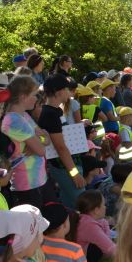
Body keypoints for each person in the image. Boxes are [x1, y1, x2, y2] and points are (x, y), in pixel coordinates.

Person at [2, 76, 53, 207]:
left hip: (38, 179)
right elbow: (41, 150)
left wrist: (37, 141)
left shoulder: (24, 115)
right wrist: (39, 141)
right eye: (34, 95)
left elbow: (46, 138)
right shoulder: (14, 120)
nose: (36, 99)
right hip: (26, 183)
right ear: (23, 97)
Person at [39, 74, 85, 208]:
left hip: (66, 165)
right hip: (63, 168)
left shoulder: (56, 111)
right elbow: (60, 147)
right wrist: (74, 174)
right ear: (58, 92)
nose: (69, 93)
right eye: (67, 89)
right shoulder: (50, 114)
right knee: (84, 204)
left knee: (69, 205)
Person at [74, 189, 115, 262]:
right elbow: (110, 250)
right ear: (96, 210)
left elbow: (107, 241)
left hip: (76, 259)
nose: (105, 207)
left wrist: (105, 223)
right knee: (98, 246)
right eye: (103, 205)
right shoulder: (89, 226)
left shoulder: (83, 218)